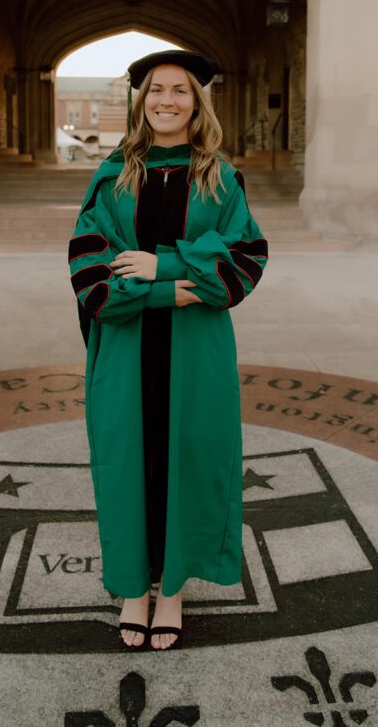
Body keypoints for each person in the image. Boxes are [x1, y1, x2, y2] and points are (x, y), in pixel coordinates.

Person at [67, 49, 268, 651]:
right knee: (130, 459)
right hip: (126, 344)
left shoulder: (220, 176)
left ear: (197, 101)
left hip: (197, 351)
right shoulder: (111, 173)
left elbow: (246, 257)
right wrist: (166, 292)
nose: (167, 101)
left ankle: (173, 589)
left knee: (190, 458)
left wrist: (166, 262)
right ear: (141, 99)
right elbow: (88, 264)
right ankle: (134, 588)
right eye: (156, 90)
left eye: (180, 91)